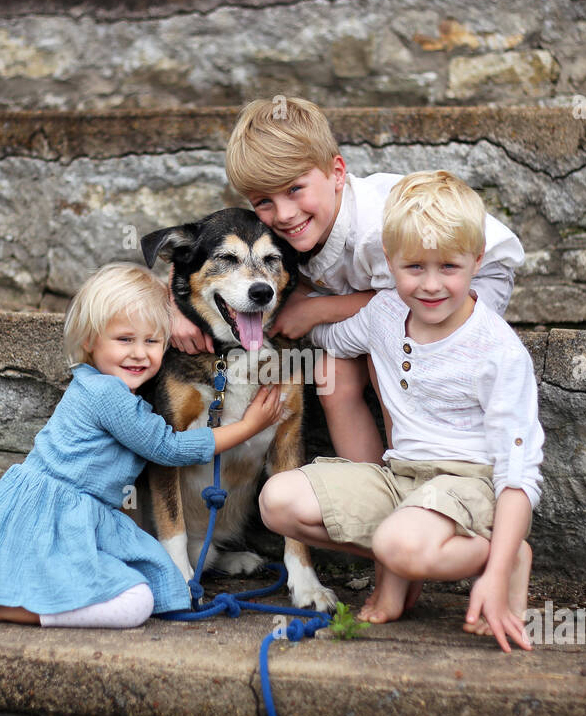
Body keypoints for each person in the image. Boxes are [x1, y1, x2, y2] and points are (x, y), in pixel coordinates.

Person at [258, 172, 543, 652]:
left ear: (477, 262)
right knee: (277, 501)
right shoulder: (385, 313)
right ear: (388, 264)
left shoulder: (498, 349)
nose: (431, 286)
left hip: (467, 485)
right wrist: (279, 316)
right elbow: (331, 339)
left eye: (449, 267)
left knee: (397, 543)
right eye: (413, 268)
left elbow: (519, 474)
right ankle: (398, 561)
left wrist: (493, 572)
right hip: (401, 478)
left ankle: (505, 558)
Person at [169, 95, 525, 465]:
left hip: (462, 277)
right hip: (378, 291)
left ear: (337, 173)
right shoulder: (288, 229)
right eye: (263, 202)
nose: (285, 214)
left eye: (294, 189)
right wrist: (174, 307)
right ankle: (370, 479)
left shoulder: (376, 229)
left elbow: (406, 297)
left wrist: (317, 310)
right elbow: (199, 248)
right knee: (329, 373)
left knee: (386, 345)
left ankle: (411, 466)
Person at [0, 263, 287, 629]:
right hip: (63, 519)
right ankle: (3, 610)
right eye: (125, 340)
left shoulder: (103, 387)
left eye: (152, 341)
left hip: (78, 515)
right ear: (90, 341)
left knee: (149, 579)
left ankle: (7, 598)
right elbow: (168, 448)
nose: (139, 353)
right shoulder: (108, 397)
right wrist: (248, 426)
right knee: (136, 603)